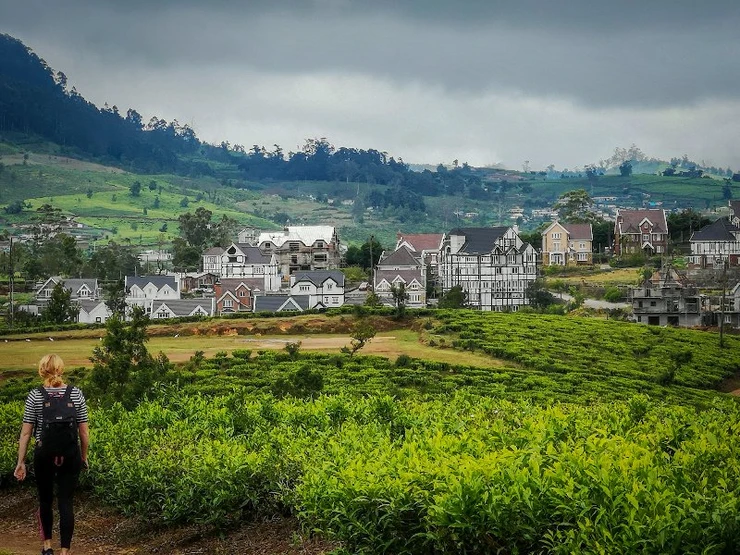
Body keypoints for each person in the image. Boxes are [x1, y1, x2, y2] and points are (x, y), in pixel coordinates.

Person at [14, 354, 89, 555]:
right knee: (66, 501)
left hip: (44, 454)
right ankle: (65, 551)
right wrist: (83, 456)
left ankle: (47, 547)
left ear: (41, 371)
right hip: (70, 454)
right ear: (61, 370)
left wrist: (21, 462)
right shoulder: (76, 394)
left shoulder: (35, 395)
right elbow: (83, 431)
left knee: (45, 500)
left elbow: (26, 432)